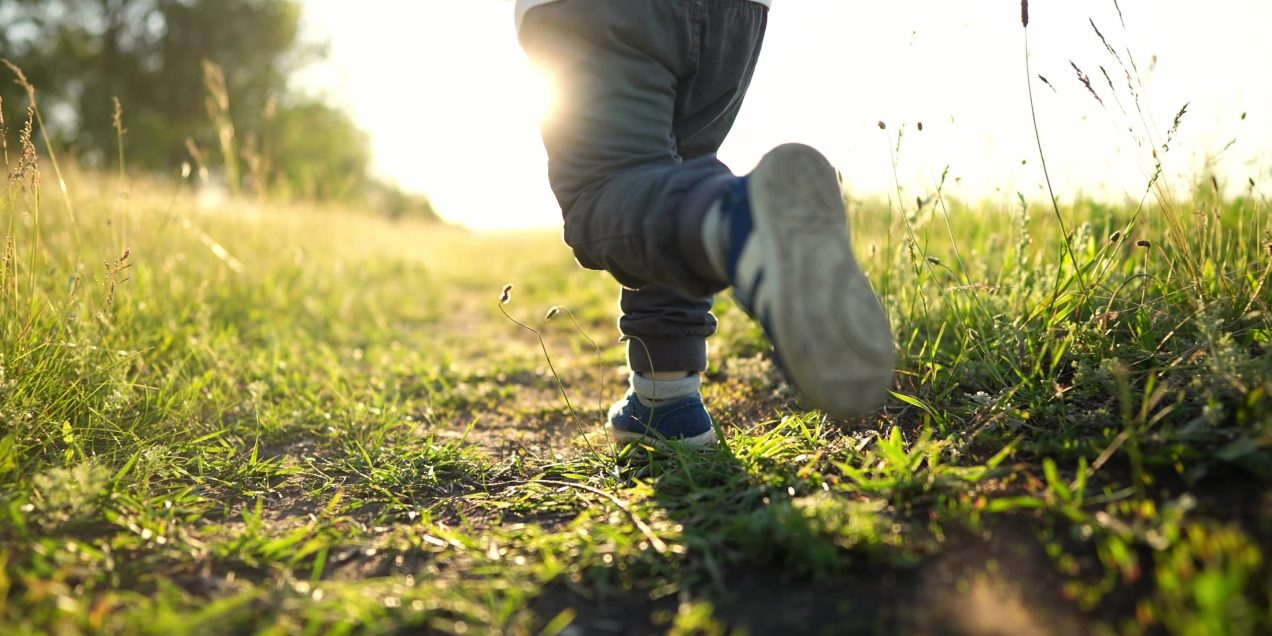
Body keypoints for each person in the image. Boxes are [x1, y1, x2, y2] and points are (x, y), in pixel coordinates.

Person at [515, 0, 895, 446]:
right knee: (676, 179)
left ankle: (737, 220)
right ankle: (666, 399)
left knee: (605, 189)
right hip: (734, 16)